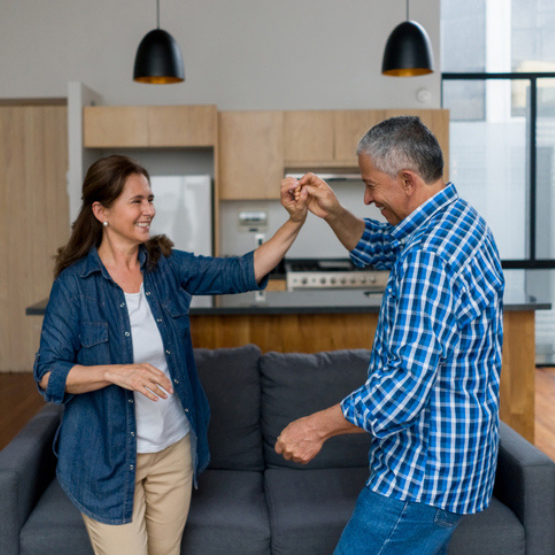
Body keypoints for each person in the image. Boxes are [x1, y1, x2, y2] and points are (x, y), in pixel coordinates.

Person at [33, 154, 308, 555]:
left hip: (173, 449)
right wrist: (115, 373)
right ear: (101, 211)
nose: (150, 210)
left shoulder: (166, 266)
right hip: (107, 457)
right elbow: (48, 372)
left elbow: (240, 272)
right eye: (137, 201)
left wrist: (296, 221)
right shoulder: (75, 285)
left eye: (151, 198)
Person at [275, 116, 504, 554]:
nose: (365, 197)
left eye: (371, 186)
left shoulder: (429, 256)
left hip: (422, 473)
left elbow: (403, 387)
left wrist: (315, 427)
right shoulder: (458, 221)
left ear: (407, 179)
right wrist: (333, 212)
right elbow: (382, 243)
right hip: (454, 460)